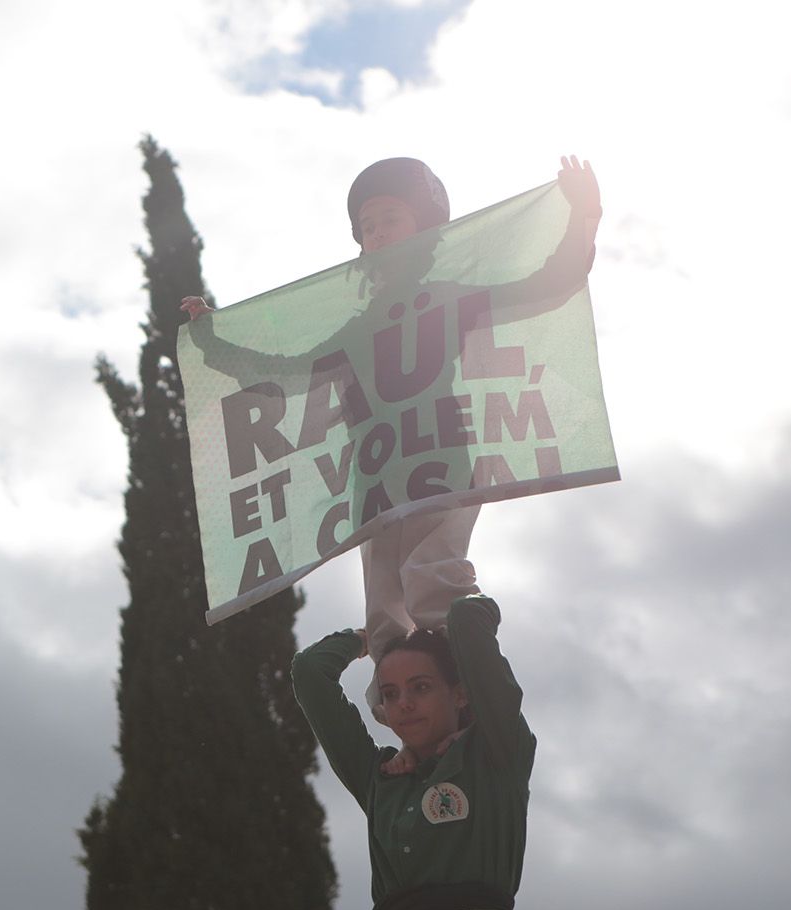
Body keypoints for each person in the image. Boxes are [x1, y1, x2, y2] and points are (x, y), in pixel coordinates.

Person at [180, 156, 601, 712]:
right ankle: (404, 714)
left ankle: (468, 697)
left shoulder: (450, 294)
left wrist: (583, 216)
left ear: (426, 229)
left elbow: (547, 282)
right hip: (376, 471)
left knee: (434, 578)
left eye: (389, 219)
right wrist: (215, 340)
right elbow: (289, 371)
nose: (376, 233)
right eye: (366, 227)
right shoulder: (360, 324)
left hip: (441, 454)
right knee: (382, 604)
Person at [290, 594, 537, 910]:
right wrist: (368, 639)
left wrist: (434, 614)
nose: (404, 704)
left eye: (421, 687)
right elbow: (309, 673)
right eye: (390, 693)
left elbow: (468, 615)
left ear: (460, 693)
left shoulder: (497, 754)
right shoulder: (378, 778)